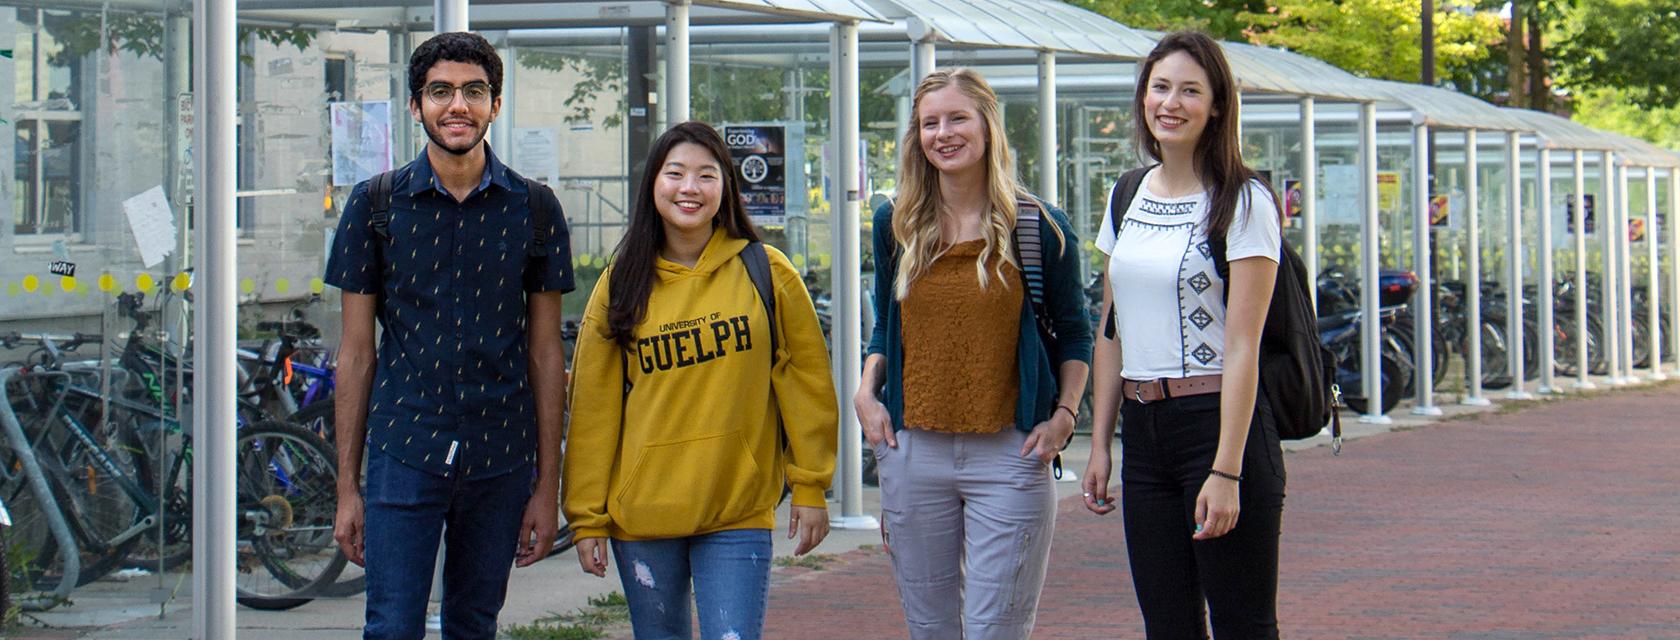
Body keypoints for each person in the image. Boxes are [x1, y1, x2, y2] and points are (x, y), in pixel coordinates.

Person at [325, 31, 575, 639]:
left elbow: (546, 354)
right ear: (417, 105)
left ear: (494, 103)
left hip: (500, 453)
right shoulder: (374, 205)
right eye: (440, 91)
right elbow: (356, 356)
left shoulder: (536, 209)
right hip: (403, 448)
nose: (456, 105)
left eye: (473, 91)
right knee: (391, 626)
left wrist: (549, 485)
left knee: (474, 625)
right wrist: (347, 490)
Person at [562, 121, 837, 640]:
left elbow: (807, 386)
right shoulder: (620, 283)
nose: (690, 188)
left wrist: (810, 486)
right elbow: (595, 410)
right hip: (641, 514)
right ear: (653, 185)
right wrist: (587, 517)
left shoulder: (767, 272)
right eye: (676, 173)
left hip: (737, 508)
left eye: (706, 175)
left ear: (725, 189)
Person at [855, 68, 1092, 639]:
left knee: (996, 630)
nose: (944, 133)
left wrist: (1064, 418)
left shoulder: (1038, 226)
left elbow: (1076, 334)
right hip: (914, 453)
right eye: (929, 123)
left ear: (987, 125)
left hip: (1011, 456)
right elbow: (888, 322)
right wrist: (866, 393)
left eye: (957, 117)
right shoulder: (896, 222)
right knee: (930, 628)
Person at [1081, 31, 1287, 639]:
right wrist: (1100, 444)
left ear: (1217, 105)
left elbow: (1243, 344)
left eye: (1190, 91)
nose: (1170, 102)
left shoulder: (1243, 201)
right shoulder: (1126, 195)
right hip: (1144, 435)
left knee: (1243, 625)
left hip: (1219, 426)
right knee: (1167, 626)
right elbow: (1111, 330)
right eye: (1160, 86)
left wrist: (1227, 472)